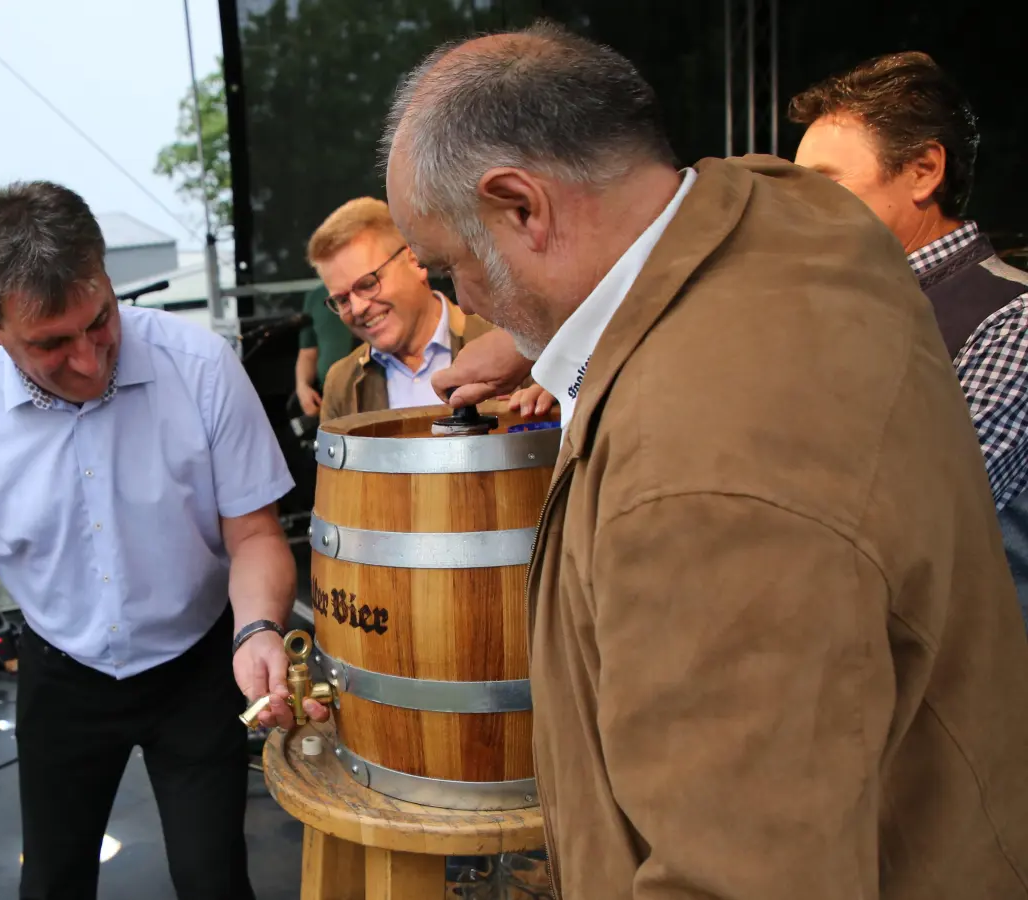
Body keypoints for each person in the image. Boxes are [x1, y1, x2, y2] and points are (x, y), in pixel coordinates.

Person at [386, 21, 1028, 898]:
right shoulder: (800, 221)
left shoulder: (693, 484)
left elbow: (740, 876)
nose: (466, 302)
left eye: (448, 270)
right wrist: (552, 338)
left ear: (523, 207)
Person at [0, 181, 318, 900]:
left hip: (203, 665)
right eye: (51, 343)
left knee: (214, 880)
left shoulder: (202, 366)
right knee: (52, 883)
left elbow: (253, 535)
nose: (88, 361)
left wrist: (260, 629)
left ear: (108, 278)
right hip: (60, 670)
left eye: (100, 321)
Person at [791, 51, 1028, 625]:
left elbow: (911, 519)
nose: (798, 206)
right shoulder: (822, 310)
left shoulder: (1013, 318)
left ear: (924, 169)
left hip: (967, 698)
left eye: (826, 183)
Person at [305, 197, 519, 422]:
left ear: (415, 261)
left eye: (368, 284)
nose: (357, 309)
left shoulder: (512, 345)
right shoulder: (341, 383)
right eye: (342, 300)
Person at [293, 285, 356, 417]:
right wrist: (302, 386)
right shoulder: (315, 296)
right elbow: (307, 353)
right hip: (329, 399)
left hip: (371, 393)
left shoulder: (364, 290)